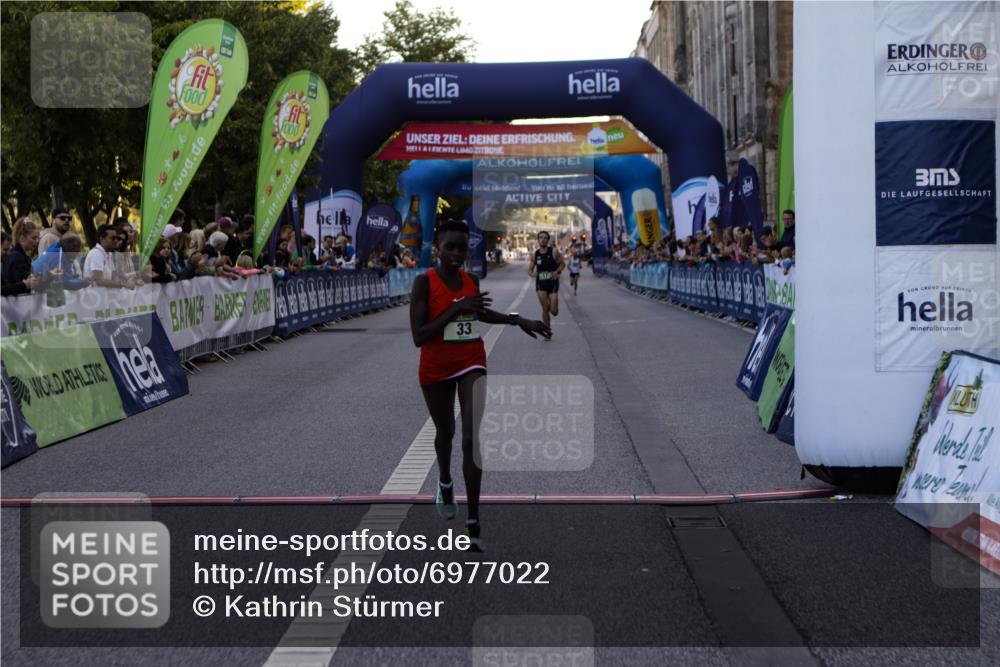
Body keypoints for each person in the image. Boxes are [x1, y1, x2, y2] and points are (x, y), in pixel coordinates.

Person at [409, 218, 549, 552]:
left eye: (463, 247)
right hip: (435, 368)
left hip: (472, 361)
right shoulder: (423, 283)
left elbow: (479, 315)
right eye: (451, 247)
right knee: (446, 434)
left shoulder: (471, 280)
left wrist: (517, 320)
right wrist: (457, 309)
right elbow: (419, 336)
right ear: (437, 248)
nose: (458, 253)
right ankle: (445, 480)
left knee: (472, 437)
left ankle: (473, 521)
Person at [528, 231, 565, 340]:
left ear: (548, 240)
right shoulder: (536, 254)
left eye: (545, 238)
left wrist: (557, 272)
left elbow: (562, 264)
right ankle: (547, 332)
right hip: (541, 283)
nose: (543, 239)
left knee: (553, 311)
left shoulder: (553, 252)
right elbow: (529, 270)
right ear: (538, 240)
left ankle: (553, 308)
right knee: (544, 308)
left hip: (552, 282)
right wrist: (532, 273)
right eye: (541, 238)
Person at [84, 224, 134, 288]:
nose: (116, 240)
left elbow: (114, 276)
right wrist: (122, 283)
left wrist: (130, 281)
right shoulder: (96, 253)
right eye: (112, 238)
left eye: (116, 238)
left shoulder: (108, 253)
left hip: (106, 295)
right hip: (95, 296)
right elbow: (99, 281)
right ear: (102, 239)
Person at [2, 218, 40, 295]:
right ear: (22, 237)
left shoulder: (23, 256)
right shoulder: (16, 256)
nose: (37, 241)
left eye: (38, 238)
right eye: (34, 238)